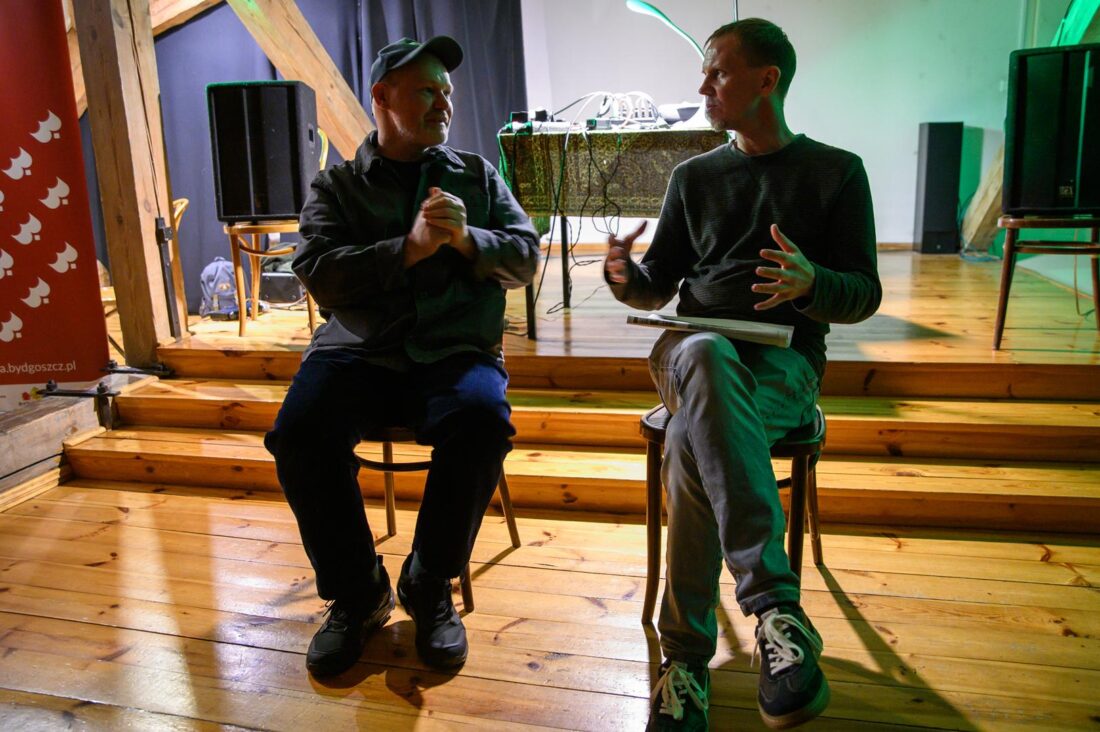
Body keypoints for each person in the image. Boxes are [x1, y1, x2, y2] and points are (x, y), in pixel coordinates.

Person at [605, 18, 881, 731]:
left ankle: (684, 663)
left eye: (718, 72)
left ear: (768, 79)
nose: (702, 85)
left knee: (691, 442)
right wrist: (625, 278)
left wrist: (813, 283)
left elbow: (864, 293)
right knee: (703, 352)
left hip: (783, 362)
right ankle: (777, 609)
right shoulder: (694, 177)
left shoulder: (837, 171)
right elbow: (658, 285)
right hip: (690, 353)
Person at [265, 36, 540, 677]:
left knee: (481, 423)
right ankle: (359, 593)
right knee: (300, 435)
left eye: (447, 90)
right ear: (382, 97)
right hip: (358, 353)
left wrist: (467, 239)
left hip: (454, 352)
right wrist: (408, 249)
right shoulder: (336, 186)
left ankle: (428, 580)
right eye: (426, 90)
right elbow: (319, 273)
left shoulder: (477, 175)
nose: (444, 102)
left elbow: (525, 257)